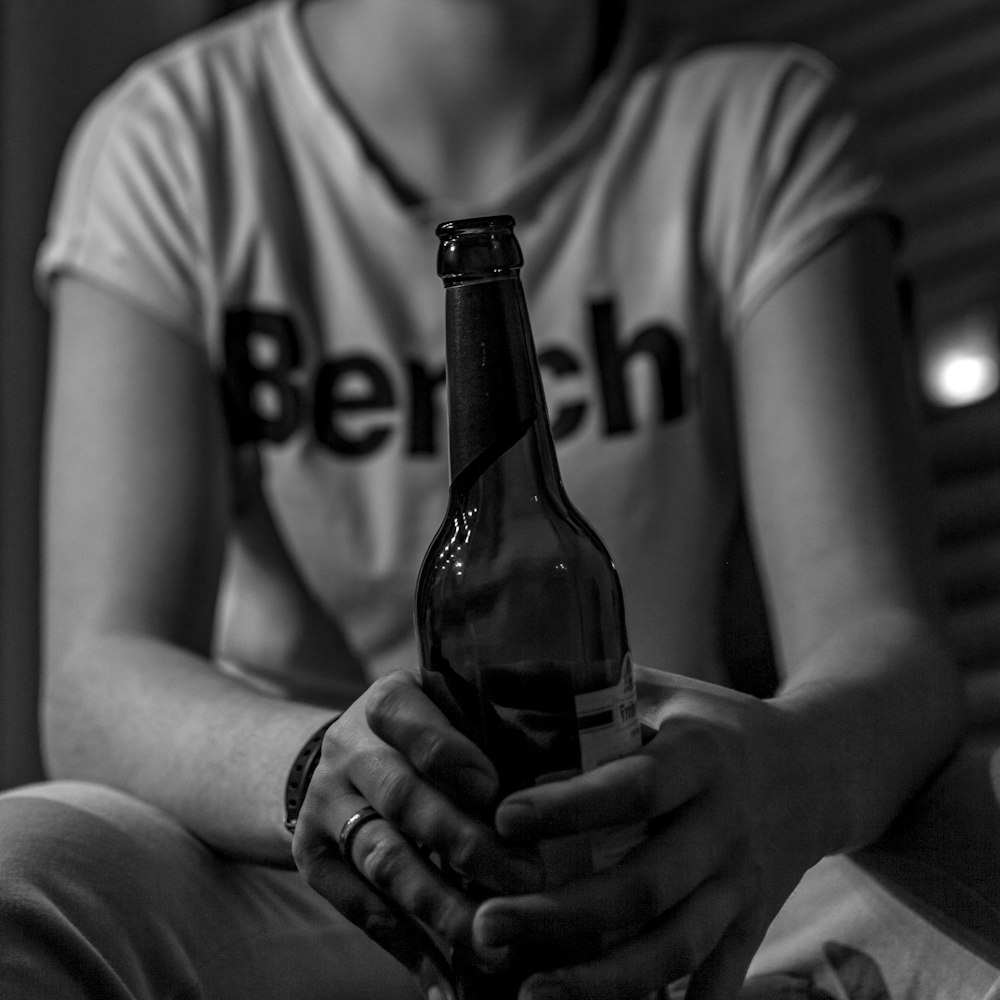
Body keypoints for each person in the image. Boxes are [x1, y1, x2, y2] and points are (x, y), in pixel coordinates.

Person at [1, 0, 996, 997]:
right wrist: (328, 778)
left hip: (663, 858)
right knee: (24, 866)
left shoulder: (756, 118)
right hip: (307, 879)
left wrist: (786, 774)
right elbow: (95, 676)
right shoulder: (175, 135)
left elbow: (884, 643)